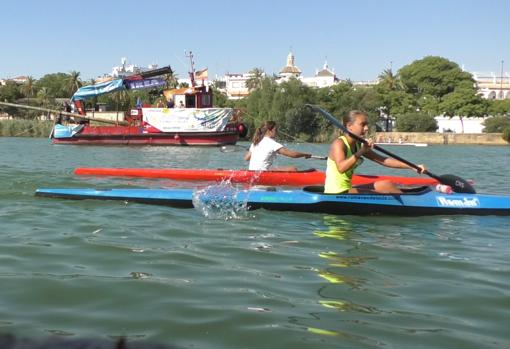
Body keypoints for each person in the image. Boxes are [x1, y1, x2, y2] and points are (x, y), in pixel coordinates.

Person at [324, 110, 426, 194]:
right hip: (336, 192)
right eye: (362, 125)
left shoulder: (358, 145)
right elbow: (341, 168)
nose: (366, 128)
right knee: (386, 190)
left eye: (367, 125)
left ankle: (409, 202)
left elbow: (384, 160)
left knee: (387, 185)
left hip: (347, 189)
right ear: (349, 126)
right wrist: (361, 151)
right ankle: (410, 206)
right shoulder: (339, 143)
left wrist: (412, 166)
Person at [244, 120, 312, 171]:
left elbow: (246, 158)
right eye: (276, 130)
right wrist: (304, 154)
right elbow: (292, 154)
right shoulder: (273, 144)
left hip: (253, 172)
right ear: (269, 131)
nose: (277, 132)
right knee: (293, 169)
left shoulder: (256, 142)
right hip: (262, 174)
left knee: (274, 168)